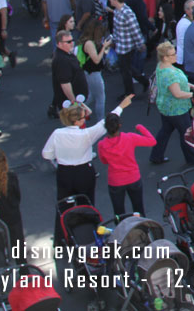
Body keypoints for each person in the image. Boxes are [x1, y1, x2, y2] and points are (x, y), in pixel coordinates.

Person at [42, 95, 133, 228]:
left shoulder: (57, 133)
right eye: (84, 118)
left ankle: (62, 239)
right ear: (78, 121)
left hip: (64, 173)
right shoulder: (86, 135)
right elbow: (104, 123)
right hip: (84, 172)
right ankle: (89, 235)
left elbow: (46, 154)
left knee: (63, 206)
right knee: (86, 205)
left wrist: (60, 154)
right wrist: (121, 107)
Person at [98, 112, 156, 216]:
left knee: (118, 212)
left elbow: (104, 161)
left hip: (115, 181)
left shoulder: (102, 145)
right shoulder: (130, 138)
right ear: (119, 125)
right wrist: (140, 127)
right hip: (133, 178)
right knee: (138, 208)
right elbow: (152, 141)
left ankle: (122, 230)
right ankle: (142, 229)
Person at [149, 42, 194, 166]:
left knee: (165, 131)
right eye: (173, 54)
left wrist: (192, 86)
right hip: (177, 109)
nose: (175, 56)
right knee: (186, 134)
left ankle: (156, 155)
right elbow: (177, 93)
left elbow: (179, 84)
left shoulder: (161, 66)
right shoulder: (170, 74)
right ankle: (192, 160)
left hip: (165, 107)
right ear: (165, 57)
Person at [51, 28, 88, 122]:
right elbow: (65, 83)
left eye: (72, 40)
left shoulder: (66, 54)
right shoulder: (62, 60)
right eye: (68, 42)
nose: (72, 43)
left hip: (76, 101)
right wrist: (74, 104)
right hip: (72, 105)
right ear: (60, 44)